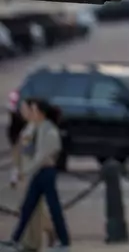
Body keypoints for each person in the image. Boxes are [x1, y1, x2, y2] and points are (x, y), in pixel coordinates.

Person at [0, 99, 70, 252]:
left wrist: (24, 171)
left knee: (54, 207)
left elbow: (41, 156)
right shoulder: (37, 128)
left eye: (33, 110)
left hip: (46, 173)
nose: (31, 113)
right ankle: (15, 239)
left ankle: (64, 241)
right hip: (39, 173)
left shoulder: (49, 130)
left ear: (40, 113)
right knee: (27, 207)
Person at [6, 116, 55, 252]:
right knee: (34, 208)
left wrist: (15, 177)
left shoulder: (27, 135)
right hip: (31, 175)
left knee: (30, 207)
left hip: (30, 176)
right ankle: (49, 229)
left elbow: (21, 159)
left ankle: (35, 238)